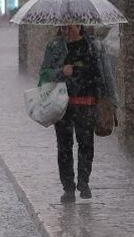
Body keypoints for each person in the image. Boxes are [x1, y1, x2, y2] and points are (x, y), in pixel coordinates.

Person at [41, 24, 103, 201]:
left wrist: (108, 99)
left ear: (80, 26)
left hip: (86, 103)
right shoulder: (54, 46)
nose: (65, 30)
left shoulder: (93, 46)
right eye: (62, 27)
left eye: (70, 27)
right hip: (62, 106)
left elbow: (103, 74)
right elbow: (44, 75)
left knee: (86, 145)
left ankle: (84, 183)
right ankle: (68, 188)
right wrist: (61, 72)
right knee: (64, 148)